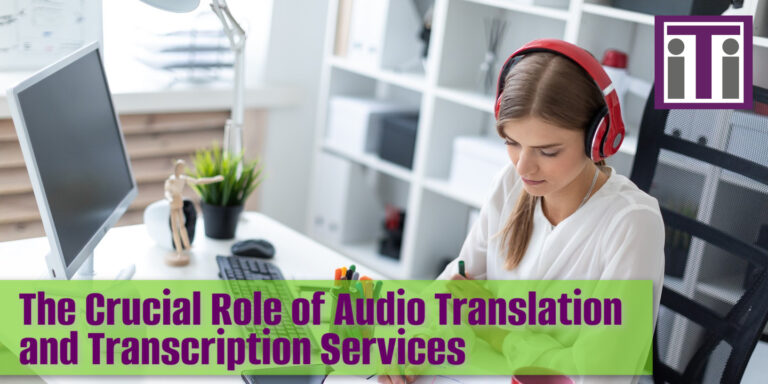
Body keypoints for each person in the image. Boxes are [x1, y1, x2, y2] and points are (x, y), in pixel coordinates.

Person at [379, 39, 664, 384]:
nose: (524, 166)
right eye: (512, 143)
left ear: (597, 139)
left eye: (548, 151)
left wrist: (497, 334)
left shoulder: (633, 223)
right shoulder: (512, 184)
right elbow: (461, 284)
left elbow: (600, 373)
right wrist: (417, 339)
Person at [164, 159, 223, 266]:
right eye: (180, 168)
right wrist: (169, 198)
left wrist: (214, 179)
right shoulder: (171, 180)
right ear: (176, 168)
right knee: (175, 228)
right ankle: (179, 250)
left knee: (181, 226)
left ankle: (186, 246)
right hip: (173, 204)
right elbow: (167, 192)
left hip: (179, 203)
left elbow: (198, 181)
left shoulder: (183, 179)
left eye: (183, 168)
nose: (181, 170)